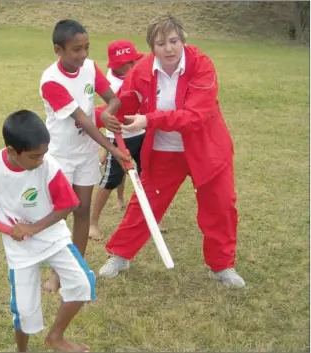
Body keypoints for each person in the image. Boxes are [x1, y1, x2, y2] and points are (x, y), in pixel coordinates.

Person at [98, 15, 246, 288]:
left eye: (174, 41)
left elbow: (195, 116)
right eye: (161, 43)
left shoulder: (201, 65)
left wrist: (149, 120)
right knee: (145, 203)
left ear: (183, 40)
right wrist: (98, 115)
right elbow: (129, 99)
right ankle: (120, 255)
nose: (169, 48)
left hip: (207, 150)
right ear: (152, 47)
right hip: (164, 150)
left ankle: (222, 266)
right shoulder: (142, 69)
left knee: (221, 206)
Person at [0, 110, 95, 352]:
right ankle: (22, 350)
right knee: (24, 312)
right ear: (13, 152)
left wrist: (34, 227)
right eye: (34, 156)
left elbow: (69, 204)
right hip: (19, 247)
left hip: (51, 236)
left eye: (44, 154)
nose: (41, 160)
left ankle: (55, 337)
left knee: (82, 283)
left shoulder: (49, 167)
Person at [39, 19, 130, 292]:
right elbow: (83, 121)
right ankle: (56, 273)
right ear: (59, 49)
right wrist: (113, 149)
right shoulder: (51, 81)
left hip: (87, 153)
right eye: (76, 49)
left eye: (87, 47)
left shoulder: (89, 67)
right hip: (61, 155)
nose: (84, 55)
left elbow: (113, 99)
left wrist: (106, 111)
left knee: (82, 211)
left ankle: (75, 268)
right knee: (61, 214)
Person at [89, 39, 145, 240]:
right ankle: (93, 222)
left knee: (145, 173)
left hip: (141, 131)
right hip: (120, 135)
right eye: (128, 63)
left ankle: (145, 212)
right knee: (111, 178)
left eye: (134, 61)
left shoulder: (136, 72)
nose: (133, 65)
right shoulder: (113, 85)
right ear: (116, 65)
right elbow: (107, 112)